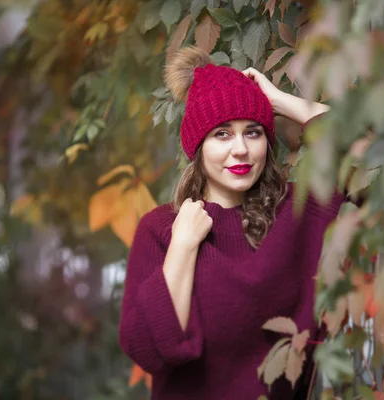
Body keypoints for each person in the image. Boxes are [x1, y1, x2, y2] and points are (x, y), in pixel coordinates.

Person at [119, 46, 359, 399]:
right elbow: (150, 350)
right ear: (198, 146)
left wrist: (278, 102)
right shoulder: (161, 230)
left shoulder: (298, 209)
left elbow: (371, 160)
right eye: (222, 134)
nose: (241, 150)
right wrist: (183, 246)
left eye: (253, 132)